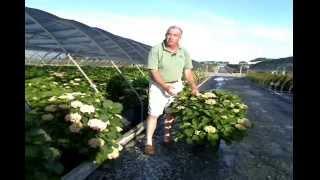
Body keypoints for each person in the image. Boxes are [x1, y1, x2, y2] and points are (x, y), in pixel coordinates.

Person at [144, 25, 199, 155]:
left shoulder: (184, 52)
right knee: (154, 114)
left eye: (175, 35)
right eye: (169, 34)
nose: (171, 37)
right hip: (158, 86)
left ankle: (167, 138)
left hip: (176, 85)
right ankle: (148, 143)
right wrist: (165, 86)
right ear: (165, 34)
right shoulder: (156, 49)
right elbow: (153, 71)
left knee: (171, 112)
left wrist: (194, 87)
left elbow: (187, 71)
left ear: (180, 38)